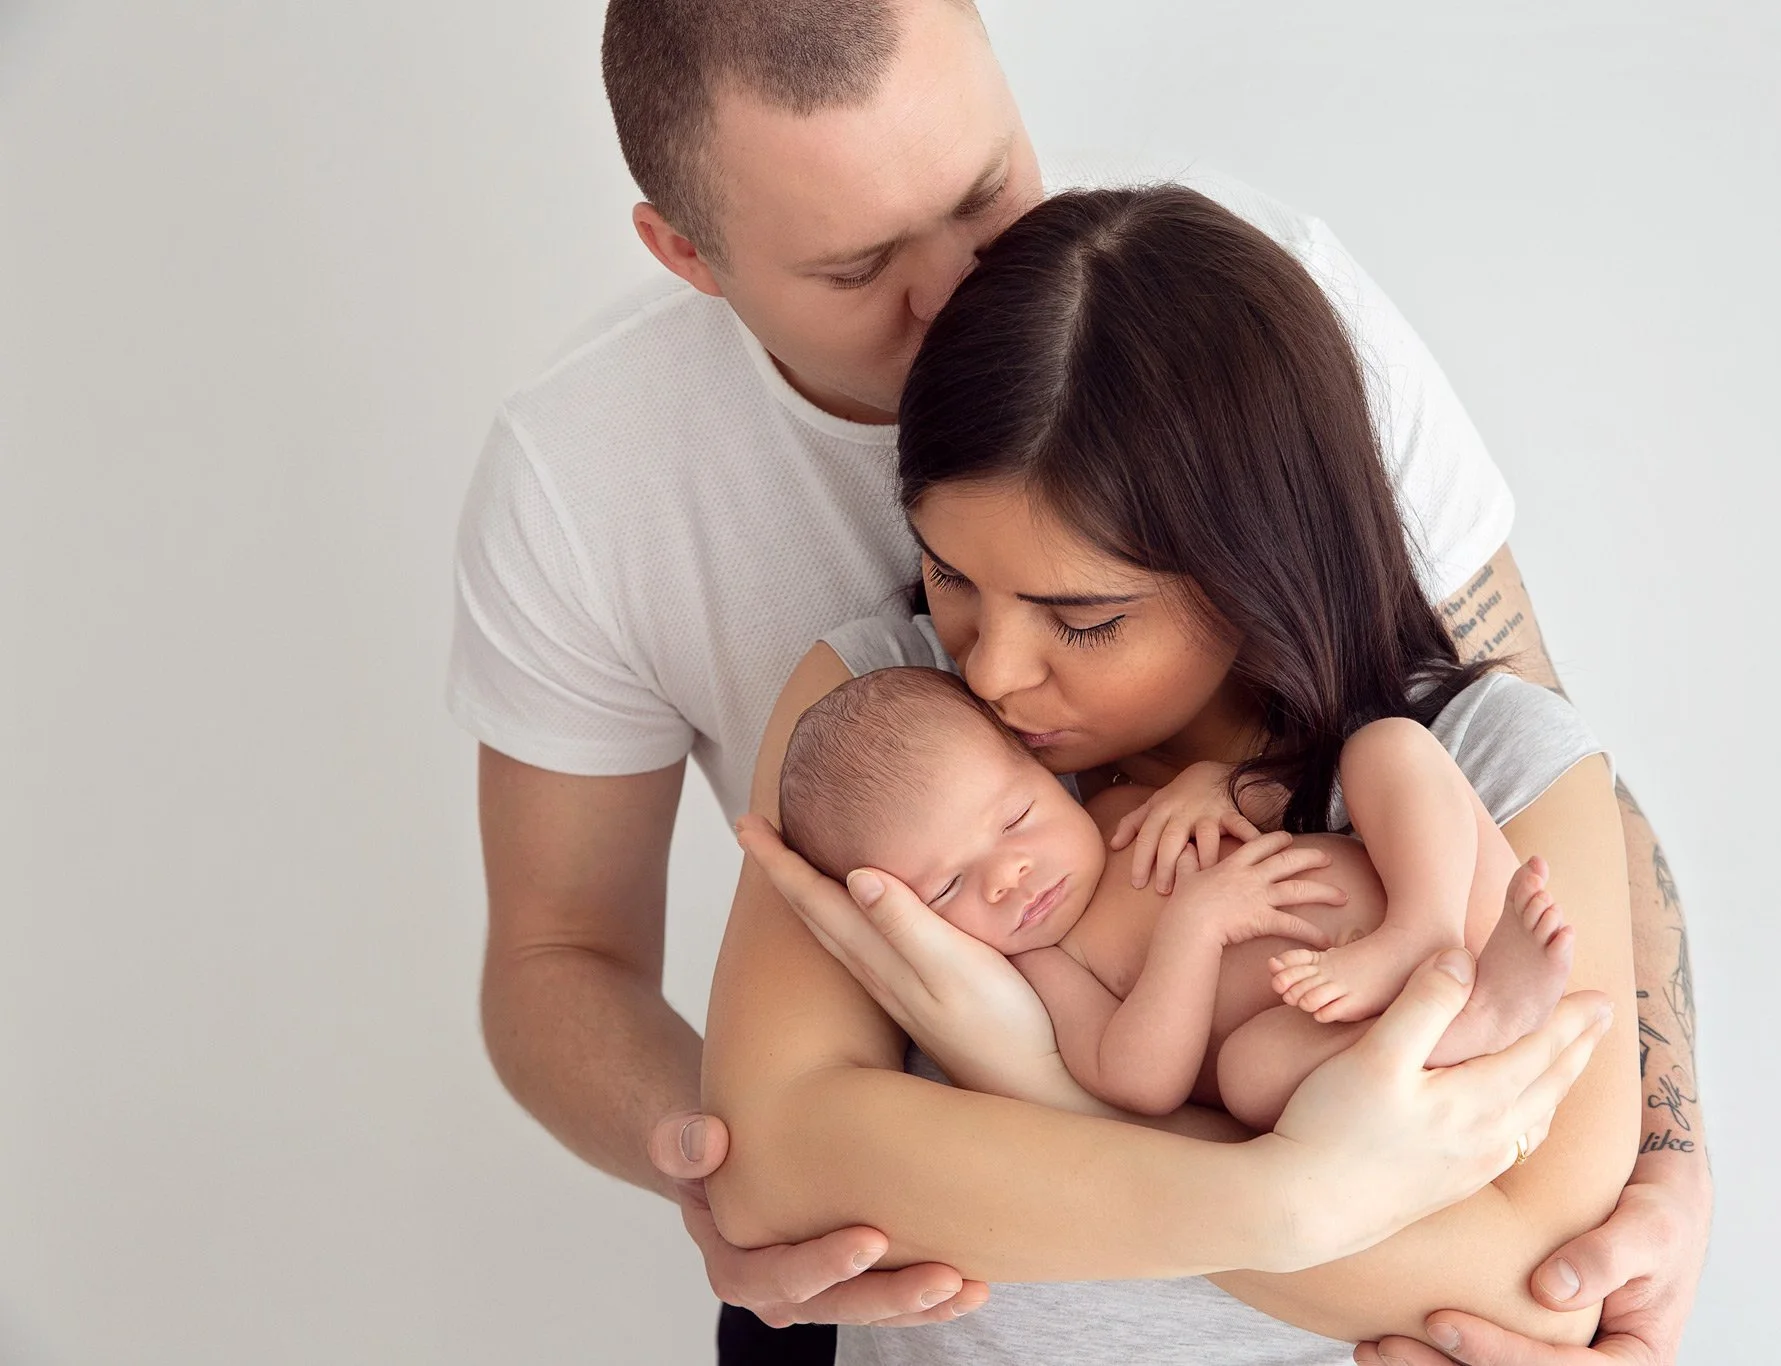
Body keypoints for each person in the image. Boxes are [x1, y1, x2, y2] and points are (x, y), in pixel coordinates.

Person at [448, 0, 1711, 1360]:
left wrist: (1673, 1144)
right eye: (861, 263)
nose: (958, 296)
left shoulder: (1242, 314)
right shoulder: (863, 665)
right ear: (686, 251)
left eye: (985, 193)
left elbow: (1530, 745)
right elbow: (711, 1084)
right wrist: (1281, 1193)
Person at [708, 183, 1639, 1359]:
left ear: (1251, 566)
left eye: (1082, 620)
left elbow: (1535, 1293)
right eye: (949, 575)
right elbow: (777, 1166)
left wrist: (1039, 1096)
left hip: (1423, 946)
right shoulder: (885, 718)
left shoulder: (1496, 756)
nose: (990, 673)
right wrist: (1285, 1200)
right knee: (1257, 1070)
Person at [774, 664, 1582, 1129]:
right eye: (946, 887)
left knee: (1388, 748)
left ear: (1046, 774)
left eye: (1016, 818)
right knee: (1249, 1073)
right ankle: (1475, 1022)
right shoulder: (1044, 964)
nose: (1007, 875)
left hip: (1439, 906)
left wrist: (1226, 788)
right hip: (1349, 1047)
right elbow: (1139, 1082)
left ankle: (1422, 933)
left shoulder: (1125, 815)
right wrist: (1191, 931)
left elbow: (1300, 799)